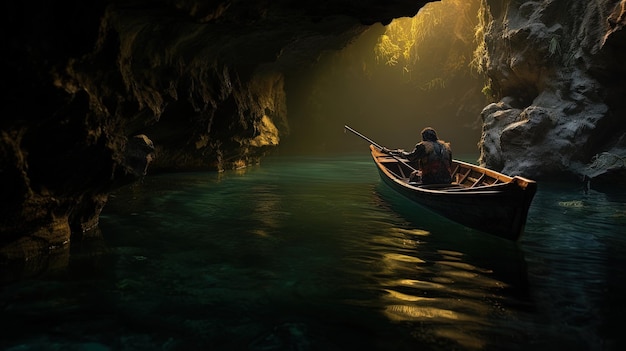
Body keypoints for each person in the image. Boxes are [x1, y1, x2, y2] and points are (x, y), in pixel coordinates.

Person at [384, 127, 453, 184]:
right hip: (447, 179)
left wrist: (400, 152)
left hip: (430, 180)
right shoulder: (446, 146)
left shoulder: (423, 146)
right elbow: (450, 163)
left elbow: (411, 157)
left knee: (413, 175)